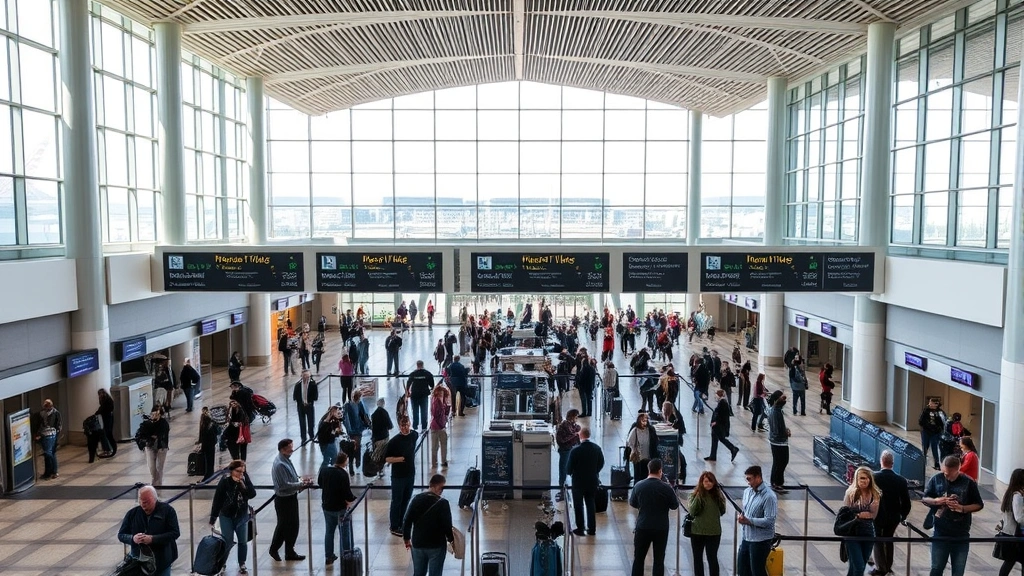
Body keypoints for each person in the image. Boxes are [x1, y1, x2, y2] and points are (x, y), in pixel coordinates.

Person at [922, 455, 984, 576]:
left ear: (958, 469)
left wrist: (962, 508)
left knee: (958, 571)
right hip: (940, 531)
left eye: (950, 474)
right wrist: (936, 501)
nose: (946, 476)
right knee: (936, 568)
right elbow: (925, 498)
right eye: (944, 472)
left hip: (961, 533)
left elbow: (979, 504)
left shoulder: (968, 482)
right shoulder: (936, 479)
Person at [629, 459, 679, 576]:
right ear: (660, 471)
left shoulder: (639, 485)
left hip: (643, 526)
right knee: (659, 560)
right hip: (661, 527)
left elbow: (633, 503)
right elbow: (674, 506)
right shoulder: (666, 488)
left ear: (649, 469)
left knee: (639, 559)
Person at [117, 485, 180, 576]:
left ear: (155, 499)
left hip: (162, 561)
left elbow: (175, 533)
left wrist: (152, 539)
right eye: (141, 501)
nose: (143, 505)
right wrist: (133, 539)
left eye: (147, 502)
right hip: (139, 563)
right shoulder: (132, 514)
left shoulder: (168, 511)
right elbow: (121, 535)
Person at [209, 459, 256, 575]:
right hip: (226, 515)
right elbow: (218, 499)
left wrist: (243, 485)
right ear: (232, 471)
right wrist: (213, 517)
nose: (241, 474)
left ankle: (242, 563)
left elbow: (252, 494)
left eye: (243, 471)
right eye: (238, 471)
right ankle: (222, 563)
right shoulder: (225, 481)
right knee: (227, 541)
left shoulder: (244, 479)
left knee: (243, 541)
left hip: (241, 515)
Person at [403, 473, 455, 576]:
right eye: (441, 488)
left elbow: (407, 520)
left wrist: (407, 538)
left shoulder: (416, 499)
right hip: (436, 545)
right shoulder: (443, 503)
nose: (441, 491)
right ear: (436, 486)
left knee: (418, 573)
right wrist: (451, 540)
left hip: (418, 544)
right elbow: (447, 525)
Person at [269, 438, 313, 562]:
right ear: (283, 449)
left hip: (291, 497)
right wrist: (300, 485)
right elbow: (284, 485)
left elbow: (292, 477)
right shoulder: (280, 464)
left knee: (293, 525)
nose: (292, 450)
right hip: (284, 500)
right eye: (290, 448)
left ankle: (289, 551)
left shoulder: (286, 460)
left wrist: (300, 481)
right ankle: (274, 549)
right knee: (283, 526)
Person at [873, 450, 912, 576]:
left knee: (878, 539)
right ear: (892, 463)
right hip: (894, 516)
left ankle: (881, 568)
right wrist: (902, 516)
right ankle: (887, 565)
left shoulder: (874, 477)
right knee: (888, 540)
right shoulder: (900, 480)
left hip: (877, 515)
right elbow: (906, 502)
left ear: (881, 461)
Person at [737, 466, 778, 576]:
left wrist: (749, 521)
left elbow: (769, 521)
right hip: (747, 538)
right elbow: (746, 511)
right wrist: (742, 517)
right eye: (747, 479)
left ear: (758, 477)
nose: (748, 482)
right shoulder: (747, 492)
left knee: (757, 571)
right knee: (742, 570)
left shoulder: (769, 496)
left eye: (750, 479)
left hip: (761, 541)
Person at [565, 426, 604, 536]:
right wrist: (594, 471)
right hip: (592, 481)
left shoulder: (575, 451)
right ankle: (592, 528)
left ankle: (580, 527)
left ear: (580, 435)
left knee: (578, 505)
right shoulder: (597, 448)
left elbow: (568, 469)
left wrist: (572, 473)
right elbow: (601, 463)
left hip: (578, 482)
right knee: (590, 503)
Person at [318, 452, 356, 566]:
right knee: (344, 533)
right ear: (345, 461)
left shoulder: (324, 470)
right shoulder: (343, 474)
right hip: (340, 508)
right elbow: (347, 493)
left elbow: (320, 483)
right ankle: (346, 557)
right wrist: (352, 499)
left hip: (327, 506)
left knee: (329, 532)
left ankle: (328, 556)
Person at [842, 466, 880, 576]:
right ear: (857, 479)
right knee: (859, 567)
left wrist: (862, 514)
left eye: (867, 478)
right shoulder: (850, 493)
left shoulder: (875, 494)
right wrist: (859, 515)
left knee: (856, 567)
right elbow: (845, 513)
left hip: (868, 532)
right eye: (862, 478)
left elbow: (873, 515)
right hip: (852, 533)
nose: (865, 481)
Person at [688, 471, 727, 576]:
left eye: (710, 481)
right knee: (697, 558)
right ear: (701, 482)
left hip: (713, 532)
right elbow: (692, 511)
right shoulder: (694, 495)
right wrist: (699, 495)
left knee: (712, 558)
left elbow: (722, 511)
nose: (708, 484)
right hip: (697, 531)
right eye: (705, 481)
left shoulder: (718, 496)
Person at [385, 417, 419, 536]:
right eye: (402, 426)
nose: (404, 428)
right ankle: (394, 525)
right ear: (399, 426)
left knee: (406, 500)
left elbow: (415, 433)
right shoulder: (394, 441)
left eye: (406, 425)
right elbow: (387, 458)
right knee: (397, 501)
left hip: (410, 474)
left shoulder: (414, 435)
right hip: (398, 476)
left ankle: (402, 522)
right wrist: (401, 459)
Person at [997, 468, 1024, 576]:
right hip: (1016, 535)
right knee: (1010, 561)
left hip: (1010, 533)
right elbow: (1019, 518)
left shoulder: (1010, 493)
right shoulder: (1017, 495)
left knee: (1010, 561)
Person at [765, 391, 790, 493]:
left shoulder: (777, 410)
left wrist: (785, 429)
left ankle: (778, 481)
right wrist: (785, 433)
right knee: (781, 461)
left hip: (778, 441)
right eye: (781, 398)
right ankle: (776, 482)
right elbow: (776, 429)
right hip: (778, 441)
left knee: (780, 462)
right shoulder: (775, 411)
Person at [706, 389, 740, 463]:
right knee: (715, 439)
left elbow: (722, 416)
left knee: (721, 439)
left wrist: (715, 422)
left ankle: (733, 449)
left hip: (720, 426)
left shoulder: (723, 403)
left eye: (716, 395)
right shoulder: (721, 402)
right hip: (717, 426)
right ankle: (713, 455)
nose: (715, 396)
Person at [627, 411, 659, 484]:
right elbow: (629, 442)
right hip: (638, 458)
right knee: (638, 476)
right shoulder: (635, 430)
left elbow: (655, 441)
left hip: (648, 457)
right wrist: (634, 449)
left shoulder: (650, 430)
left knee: (647, 475)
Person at [555, 409, 582, 498]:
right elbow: (573, 433)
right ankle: (562, 491)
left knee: (564, 470)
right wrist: (576, 434)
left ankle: (563, 490)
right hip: (565, 450)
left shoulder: (568, 425)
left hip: (568, 449)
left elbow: (577, 428)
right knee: (563, 470)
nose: (577, 419)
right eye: (576, 417)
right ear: (572, 417)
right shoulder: (566, 425)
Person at [141, 407, 170, 487]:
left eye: (156, 414)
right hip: (150, 446)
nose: (154, 416)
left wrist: (154, 436)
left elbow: (161, 434)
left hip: (161, 447)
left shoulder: (164, 423)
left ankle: (157, 486)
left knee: (159, 467)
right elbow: (144, 434)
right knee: (152, 467)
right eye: (152, 414)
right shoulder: (148, 423)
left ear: (160, 415)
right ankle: (155, 482)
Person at [343, 390, 370, 473]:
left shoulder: (347, 405)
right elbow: (364, 415)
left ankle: (351, 463)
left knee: (351, 447)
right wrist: (369, 424)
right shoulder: (359, 404)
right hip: (357, 429)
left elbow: (345, 418)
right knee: (357, 446)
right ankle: (357, 461)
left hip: (351, 431)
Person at [34, 399, 62, 480]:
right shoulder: (43, 413)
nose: (47, 408)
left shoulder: (55, 413)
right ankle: (50, 472)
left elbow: (58, 425)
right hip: (47, 435)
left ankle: (52, 471)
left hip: (49, 435)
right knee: (50, 453)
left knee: (48, 453)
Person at [406, 360, 435, 431]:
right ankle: (424, 426)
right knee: (424, 411)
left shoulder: (413, 374)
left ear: (417, 365)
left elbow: (408, 384)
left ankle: (415, 426)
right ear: (423, 365)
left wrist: (408, 392)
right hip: (424, 395)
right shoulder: (427, 374)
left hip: (414, 395)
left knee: (415, 411)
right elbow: (432, 385)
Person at [918, 399, 947, 470]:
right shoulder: (925, 411)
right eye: (930, 403)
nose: (931, 405)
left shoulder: (940, 412)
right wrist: (927, 426)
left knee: (935, 448)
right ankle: (923, 462)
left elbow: (943, 421)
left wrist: (940, 430)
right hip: (926, 431)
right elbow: (921, 421)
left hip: (936, 433)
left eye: (933, 404)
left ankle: (937, 463)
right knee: (925, 447)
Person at [293, 369, 318, 444]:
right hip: (301, 406)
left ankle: (311, 436)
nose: (306, 377)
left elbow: (315, 396)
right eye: (304, 376)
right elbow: (295, 396)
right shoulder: (297, 385)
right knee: (302, 423)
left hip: (309, 405)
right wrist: (300, 403)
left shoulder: (313, 384)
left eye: (308, 376)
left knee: (311, 422)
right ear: (302, 376)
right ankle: (303, 438)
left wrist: (309, 402)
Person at [194, 407, 219, 482]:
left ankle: (208, 475)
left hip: (206, 444)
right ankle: (210, 474)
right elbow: (217, 432)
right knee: (210, 460)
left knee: (207, 460)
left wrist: (200, 442)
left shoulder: (203, 424)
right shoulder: (212, 422)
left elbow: (201, 434)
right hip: (211, 444)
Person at [370, 397, 394, 471]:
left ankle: (377, 469)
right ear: (383, 404)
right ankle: (381, 469)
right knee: (383, 454)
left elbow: (372, 427)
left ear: (377, 404)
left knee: (377, 454)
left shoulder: (373, 414)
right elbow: (390, 426)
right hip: (384, 437)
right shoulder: (385, 413)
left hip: (376, 438)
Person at [429, 385, 449, 468]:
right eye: (440, 393)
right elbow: (436, 414)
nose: (441, 395)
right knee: (440, 445)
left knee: (436, 446)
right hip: (438, 426)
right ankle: (441, 461)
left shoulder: (436, 400)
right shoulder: (437, 402)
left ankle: (436, 462)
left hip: (437, 426)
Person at [97, 388, 116, 457]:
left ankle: (107, 450)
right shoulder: (108, 399)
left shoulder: (106, 401)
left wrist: (96, 413)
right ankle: (109, 449)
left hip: (107, 418)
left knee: (104, 433)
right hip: (108, 417)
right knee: (107, 433)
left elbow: (102, 409)